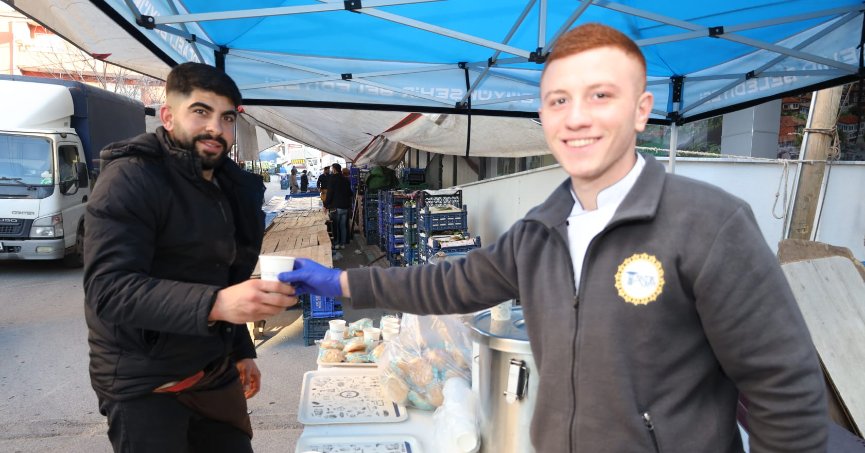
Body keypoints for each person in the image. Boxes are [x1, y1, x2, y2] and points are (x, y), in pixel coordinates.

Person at [278, 23, 827, 452]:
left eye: (600, 95)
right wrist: (343, 282)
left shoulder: (710, 224)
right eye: (559, 100)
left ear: (641, 111)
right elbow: (446, 285)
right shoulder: (539, 231)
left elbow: (785, 389)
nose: (576, 118)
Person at [83, 62, 298, 453]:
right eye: (201, 111)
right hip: (145, 384)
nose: (216, 128)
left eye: (227, 117)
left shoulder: (231, 186)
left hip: (212, 369)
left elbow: (225, 276)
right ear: (168, 116)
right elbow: (109, 290)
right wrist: (218, 304)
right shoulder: (130, 179)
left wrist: (240, 349)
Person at [323, 162, 353, 250]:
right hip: (345, 207)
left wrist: (325, 205)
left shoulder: (332, 179)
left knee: (335, 226)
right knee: (343, 226)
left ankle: (337, 243)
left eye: (332, 169)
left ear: (334, 170)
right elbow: (350, 193)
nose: (331, 170)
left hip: (336, 207)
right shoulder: (345, 179)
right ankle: (343, 244)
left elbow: (330, 194)